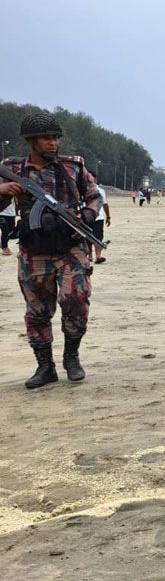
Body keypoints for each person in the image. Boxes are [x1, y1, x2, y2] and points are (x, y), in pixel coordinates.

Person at [0, 112, 102, 388]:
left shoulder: (73, 167)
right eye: (47, 138)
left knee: (76, 303)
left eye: (56, 137)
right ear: (31, 140)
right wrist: (4, 191)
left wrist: (88, 217)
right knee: (37, 311)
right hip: (34, 250)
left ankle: (72, 356)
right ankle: (45, 366)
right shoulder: (12, 168)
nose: (53, 143)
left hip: (71, 246)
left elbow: (95, 197)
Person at [90, 185, 112, 264]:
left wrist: (108, 216)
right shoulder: (81, 189)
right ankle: (89, 256)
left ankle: (98, 256)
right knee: (86, 236)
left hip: (98, 217)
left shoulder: (100, 191)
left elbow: (105, 204)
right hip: (85, 217)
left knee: (98, 238)